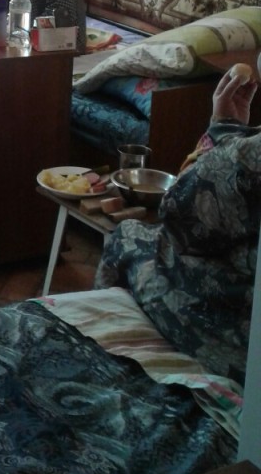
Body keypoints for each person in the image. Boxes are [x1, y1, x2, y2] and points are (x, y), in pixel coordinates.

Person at [95, 62, 261, 385]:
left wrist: (221, 128)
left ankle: (105, 367)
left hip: (236, 335)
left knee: (128, 236)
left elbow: (177, 212)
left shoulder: (249, 157)